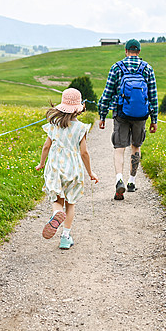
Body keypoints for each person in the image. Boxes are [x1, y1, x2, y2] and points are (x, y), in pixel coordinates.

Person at [35, 88, 99, 249]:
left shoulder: (54, 125)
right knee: (70, 203)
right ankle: (65, 237)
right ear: (79, 108)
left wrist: (41, 163)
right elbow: (84, 152)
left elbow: (46, 147)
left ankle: (56, 213)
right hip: (73, 169)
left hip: (55, 168)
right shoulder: (81, 128)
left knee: (58, 200)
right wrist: (90, 172)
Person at [97, 39, 158, 200]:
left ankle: (119, 179)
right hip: (141, 115)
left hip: (120, 113)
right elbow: (153, 96)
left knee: (119, 148)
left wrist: (102, 115)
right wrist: (154, 120)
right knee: (136, 146)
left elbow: (107, 93)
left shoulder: (116, 67)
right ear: (139, 51)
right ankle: (132, 181)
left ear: (126, 51)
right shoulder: (148, 69)